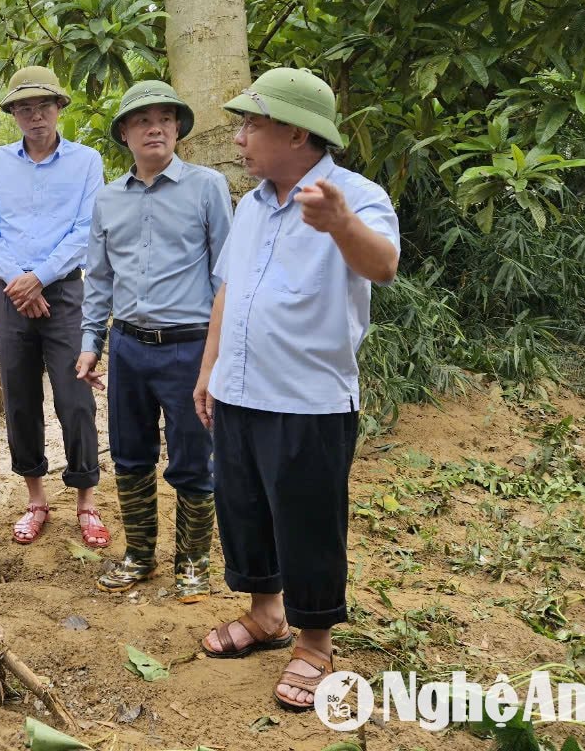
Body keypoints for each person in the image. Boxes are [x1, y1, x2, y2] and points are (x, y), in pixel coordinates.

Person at [192, 68, 399, 710]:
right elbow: (230, 287)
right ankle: (265, 614)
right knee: (244, 507)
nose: (240, 137)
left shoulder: (354, 196)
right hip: (239, 390)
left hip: (308, 400)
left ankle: (314, 643)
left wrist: (339, 224)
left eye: (252, 124)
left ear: (296, 133)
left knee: (308, 521)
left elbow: (384, 265)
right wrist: (209, 369)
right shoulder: (249, 205)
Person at [75, 81, 231, 598]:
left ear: (179, 129)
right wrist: (91, 340)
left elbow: (224, 274)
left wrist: (219, 351)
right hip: (128, 346)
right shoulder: (107, 199)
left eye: (166, 118)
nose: (155, 127)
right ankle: (139, 553)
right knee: (129, 452)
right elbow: (98, 278)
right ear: (125, 133)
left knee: (193, 454)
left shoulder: (206, 187)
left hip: (190, 344)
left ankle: (193, 561)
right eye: (142, 120)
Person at [0, 66, 107, 548]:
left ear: (59, 109)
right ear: (13, 114)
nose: (35, 116)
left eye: (43, 106)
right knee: (20, 399)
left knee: (75, 399)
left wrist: (40, 278)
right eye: (24, 108)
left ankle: (86, 502)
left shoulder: (86, 161)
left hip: (67, 292)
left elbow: (86, 228)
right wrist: (18, 282)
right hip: (11, 296)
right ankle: (35, 498)